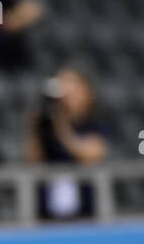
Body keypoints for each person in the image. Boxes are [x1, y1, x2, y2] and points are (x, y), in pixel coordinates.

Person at [26, 66, 108, 220]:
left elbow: (91, 155)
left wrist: (62, 126)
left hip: (85, 214)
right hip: (47, 215)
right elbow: (33, 161)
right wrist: (35, 130)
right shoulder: (46, 127)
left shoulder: (93, 127)